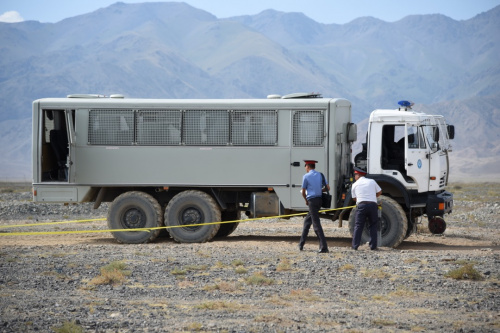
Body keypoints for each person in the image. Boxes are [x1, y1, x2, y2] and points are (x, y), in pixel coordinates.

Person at [299, 160, 330, 253]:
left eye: (305, 166)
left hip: (311, 201)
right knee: (307, 221)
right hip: (319, 200)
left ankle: (324, 247)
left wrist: (306, 201)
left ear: (308, 166)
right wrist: (320, 191)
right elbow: (328, 188)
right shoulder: (320, 175)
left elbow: (303, 192)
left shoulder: (306, 176)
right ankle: (301, 244)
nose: (305, 168)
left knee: (316, 224)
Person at [351, 167, 382, 250]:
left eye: (355, 175)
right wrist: (372, 197)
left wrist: (362, 198)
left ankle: (355, 246)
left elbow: (354, 198)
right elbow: (379, 191)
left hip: (361, 206)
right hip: (372, 205)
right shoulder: (372, 181)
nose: (354, 177)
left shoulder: (354, 184)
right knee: (373, 225)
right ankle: (373, 246)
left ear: (358, 175)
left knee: (358, 225)